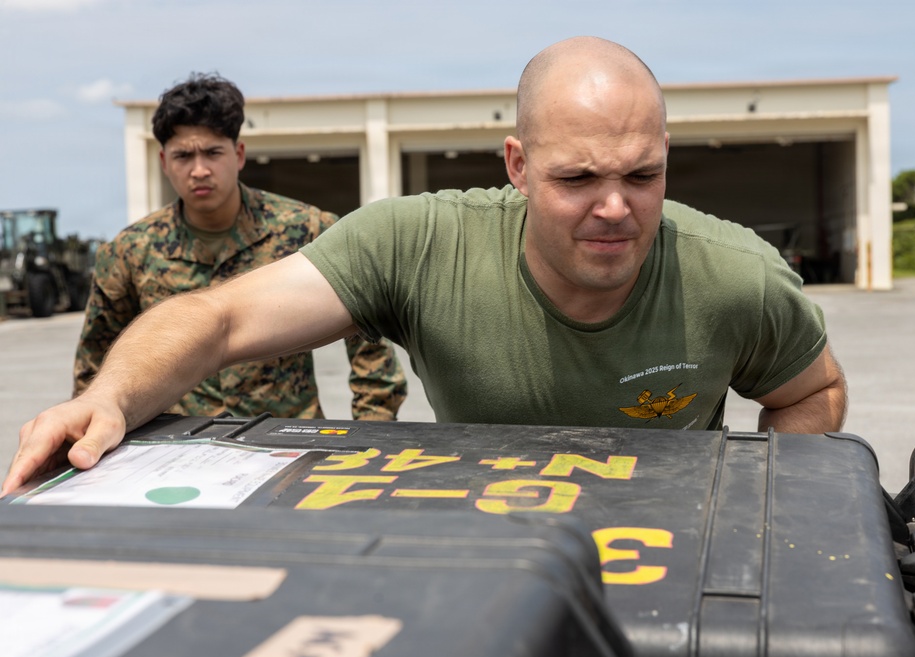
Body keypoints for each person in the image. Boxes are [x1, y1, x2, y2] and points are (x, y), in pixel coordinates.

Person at [3, 37, 846, 495]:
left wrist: (742, 501)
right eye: (577, 178)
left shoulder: (733, 272)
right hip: (484, 541)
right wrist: (106, 398)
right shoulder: (417, 243)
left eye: (643, 174)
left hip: (660, 551)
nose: (616, 207)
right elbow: (217, 318)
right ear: (517, 165)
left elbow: (811, 390)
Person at [72, 73, 406, 421]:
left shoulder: (306, 230)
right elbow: (94, 365)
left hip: (288, 445)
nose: (199, 170)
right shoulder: (130, 251)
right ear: (164, 162)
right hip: (178, 448)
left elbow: (372, 342)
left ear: (239, 154)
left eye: (213, 152)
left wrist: (371, 434)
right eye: (183, 156)